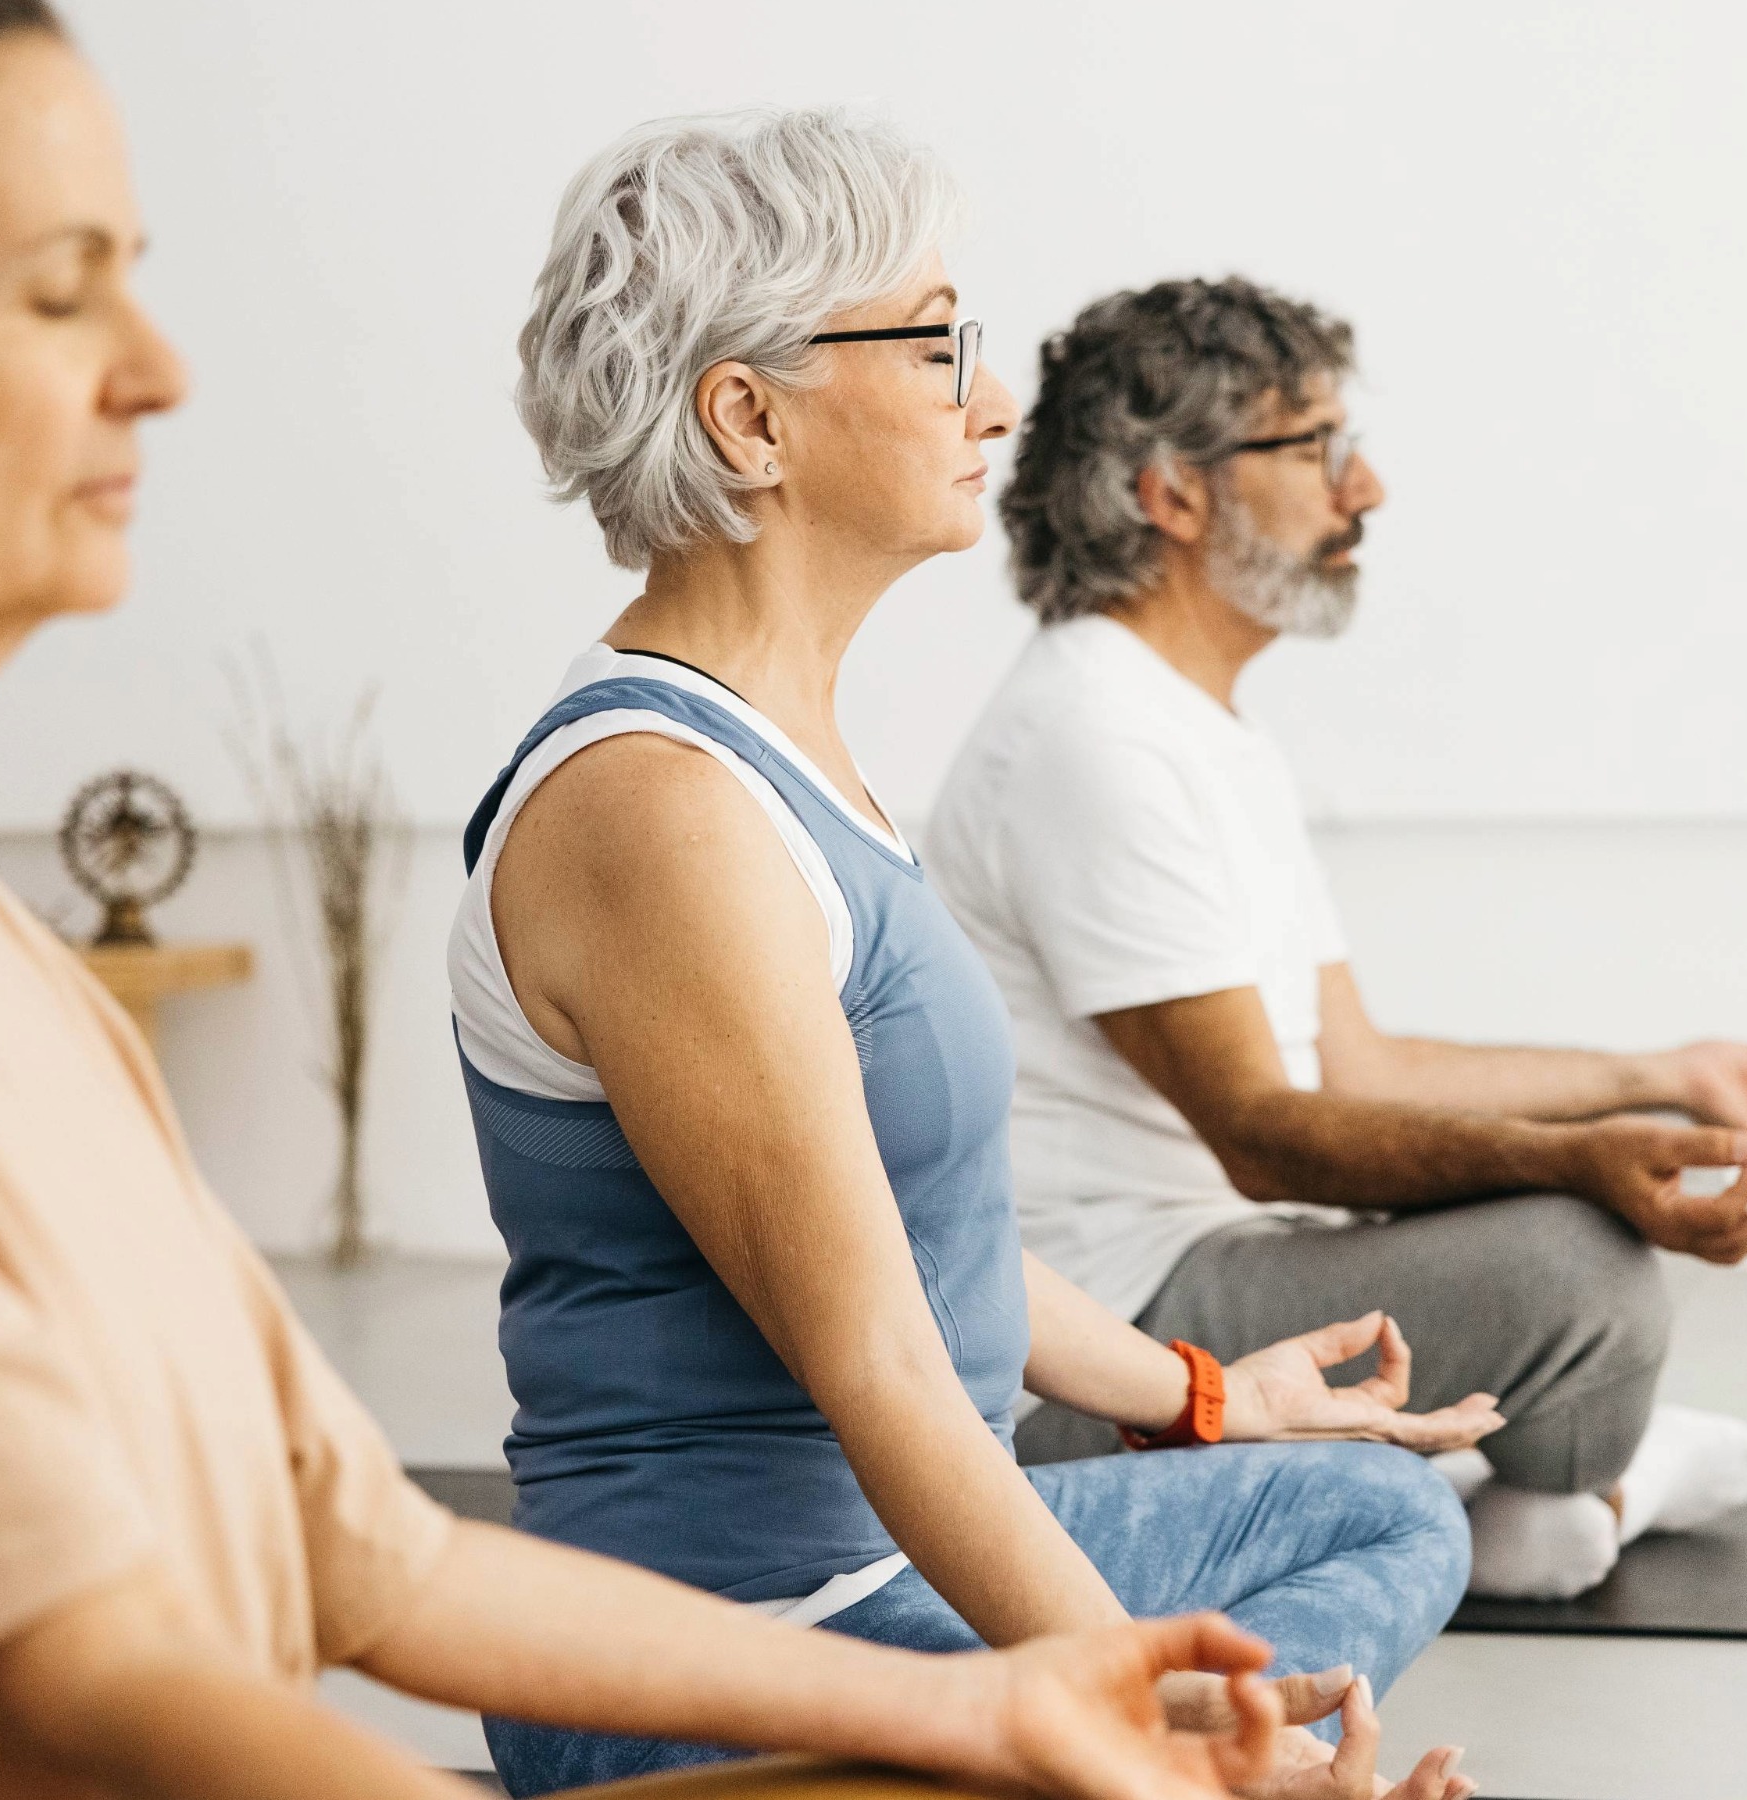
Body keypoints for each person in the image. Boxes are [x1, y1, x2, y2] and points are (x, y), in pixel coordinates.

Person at [0, 16, 1320, 1800]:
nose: (157, 372)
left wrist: (1018, 1715)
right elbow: (69, 1676)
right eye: (56, 295)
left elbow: (365, 1553)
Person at [460, 113, 1494, 1799]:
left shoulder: (779, 758)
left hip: (891, 1577)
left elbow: (923, 1249)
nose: (994, 401)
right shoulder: (659, 815)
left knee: (1376, 1505)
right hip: (725, 1657)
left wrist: (1210, 1399)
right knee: (1218, 1720)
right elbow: (878, 1366)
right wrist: (1138, 1724)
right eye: (940, 345)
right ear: (750, 414)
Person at [926, 278, 1747, 1601]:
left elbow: (1354, 1065)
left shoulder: (1198, 731)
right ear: (1173, 494)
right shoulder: (1094, 739)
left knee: (1556, 1223)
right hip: (1101, 1351)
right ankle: (1558, 1493)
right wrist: (1581, 1168)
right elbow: (1263, 1134)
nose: (1360, 486)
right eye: (1311, 446)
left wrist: (1655, 1078)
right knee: (1579, 1270)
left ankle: (1494, 1501)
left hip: (1211, 1288)